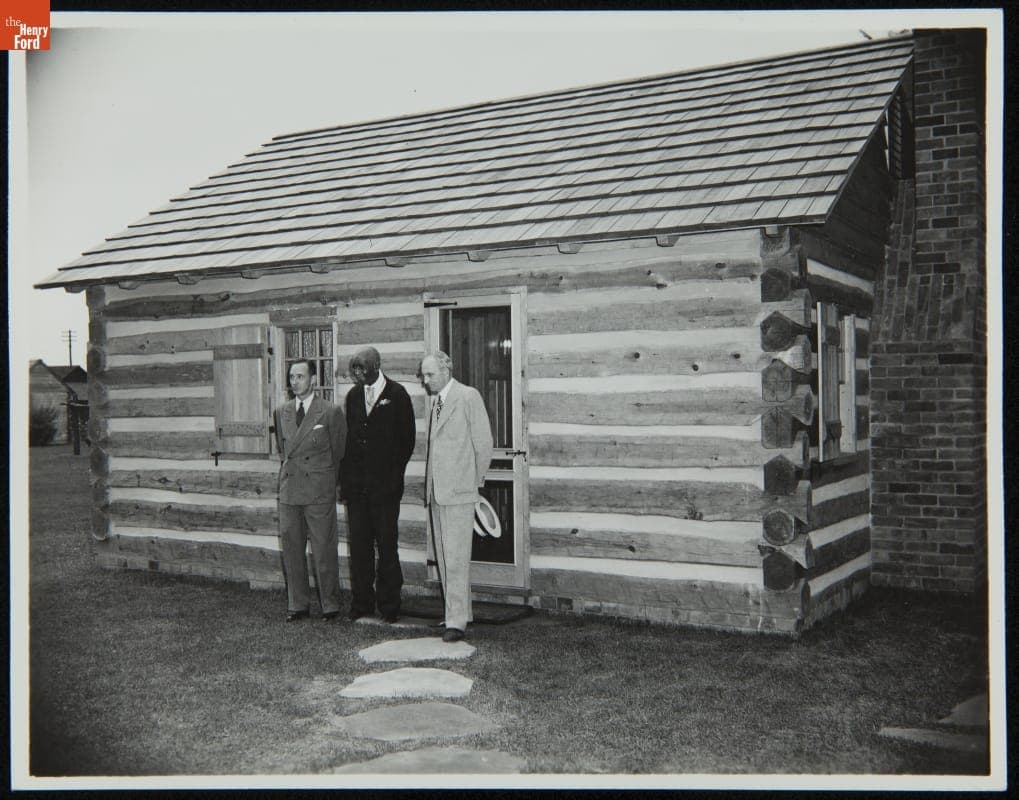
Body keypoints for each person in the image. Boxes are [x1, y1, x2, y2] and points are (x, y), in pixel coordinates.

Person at [420, 351, 494, 643]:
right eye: (423, 376)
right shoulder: (437, 402)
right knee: (445, 556)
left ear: (446, 370)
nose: (426, 381)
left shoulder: (468, 396)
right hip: (438, 492)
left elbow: (484, 442)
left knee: (456, 558)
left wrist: (473, 484)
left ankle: (456, 621)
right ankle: (458, 614)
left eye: (430, 375)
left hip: (459, 492)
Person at [339, 347, 416, 623]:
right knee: (359, 547)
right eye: (355, 370)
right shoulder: (353, 396)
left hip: (385, 491)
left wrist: (392, 477)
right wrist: (346, 482)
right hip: (358, 491)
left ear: (377, 366)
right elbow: (349, 442)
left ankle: (389, 605)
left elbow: (407, 442)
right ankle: (362, 604)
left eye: (363, 369)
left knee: (386, 546)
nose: (358, 375)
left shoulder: (397, 395)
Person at [273, 359, 346, 622]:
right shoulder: (281, 412)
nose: (295, 382)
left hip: (318, 490)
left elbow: (338, 453)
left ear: (313, 379)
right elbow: (285, 452)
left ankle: (330, 604)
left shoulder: (329, 411)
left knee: (324, 548)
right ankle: (298, 604)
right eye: (292, 377)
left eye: (301, 376)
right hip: (290, 490)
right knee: (292, 548)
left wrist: (326, 482)